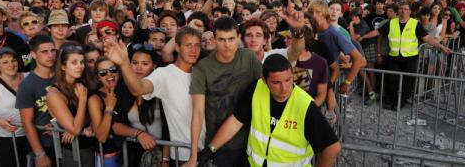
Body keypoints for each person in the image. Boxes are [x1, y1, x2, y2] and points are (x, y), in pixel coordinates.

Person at [188, 13, 305, 167]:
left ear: (238, 38)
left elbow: (267, 89)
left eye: (231, 39)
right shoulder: (202, 68)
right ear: (214, 40)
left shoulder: (249, 58)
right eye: (222, 39)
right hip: (221, 145)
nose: (227, 44)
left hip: (253, 143)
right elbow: (197, 111)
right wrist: (194, 155)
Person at [196, 54, 341, 167]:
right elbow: (235, 121)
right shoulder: (257, 88)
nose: (284, 88)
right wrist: (211, 149)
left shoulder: (305, 105)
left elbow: (332, 148)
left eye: (288, 80)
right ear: (264, 80)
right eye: (276, 82)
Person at [106, 26, 205, 165]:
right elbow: (138, 89)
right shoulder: (164, 74)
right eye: (188, 45)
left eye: (197, 45)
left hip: (205, 151)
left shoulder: (201, 72)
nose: (193, 50)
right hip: (182, 155)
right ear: (176, 47)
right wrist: (124, 64)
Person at [361, 1, 451, 110]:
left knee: (407, 82)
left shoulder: (415, 23)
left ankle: (401, 101)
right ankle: (390, 100)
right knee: (391, 80)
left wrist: (441, 47)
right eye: (401, 8)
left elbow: (427, 38)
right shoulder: (392, 22)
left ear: (410, 11)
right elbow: (377, 32)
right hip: (393, 57)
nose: (402, 10)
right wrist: (363, 36)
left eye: (405, 9)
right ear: (398, 10)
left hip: (410, 58)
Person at [112, 44, 169, 167]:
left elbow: (169, 128)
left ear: (154, 66)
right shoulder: (122, 89)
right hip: (133, 154)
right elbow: (115, 125)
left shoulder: (161, 88)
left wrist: (165, 160)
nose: (138, 68)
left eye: (144, 64)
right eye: (134, 62)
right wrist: (139, 134)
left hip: (163, 154)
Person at [46, 41, 94, 167]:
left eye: (82, 62)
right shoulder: (54, 94)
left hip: (92, 148)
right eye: (74, 63)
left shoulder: (84, 83)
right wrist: (83, 100)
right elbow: (76, 129)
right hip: (72, 153)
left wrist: (91, 124)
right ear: (63, 66)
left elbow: (94, 113)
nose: (80, 66)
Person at [16, 34, 57, 167]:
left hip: (68, 139)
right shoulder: (27, 85)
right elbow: (26, 122)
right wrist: (40, 154)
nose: (50, 55)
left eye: (52, 51)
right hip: (46, 144)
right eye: (44, 52)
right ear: (33, 54)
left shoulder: (62, 76)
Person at [88, 57, 121, 167]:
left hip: (129, 154)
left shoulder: (124, 91)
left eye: (112, 69)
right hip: (108, 158)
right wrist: (109, 108)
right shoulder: (95, 99)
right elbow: (101, 137)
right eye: (103, 72)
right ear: (98, 77)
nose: (109, 74)